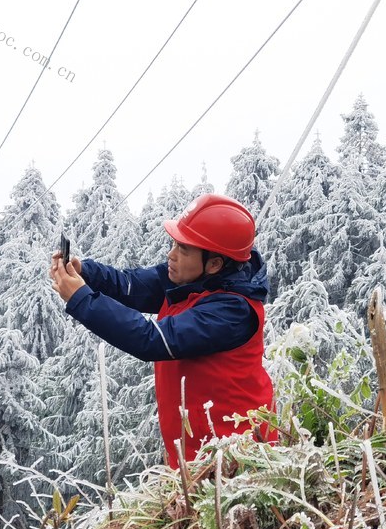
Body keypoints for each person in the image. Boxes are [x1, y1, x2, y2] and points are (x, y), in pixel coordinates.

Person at [50, 194, 275, 468]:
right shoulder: (189, 280)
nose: (171, 254)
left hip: (236, 458)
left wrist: (82, 299)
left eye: (184, 249)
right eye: (174, 244)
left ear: (215, 264)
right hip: (197, 459)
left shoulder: (232, 311)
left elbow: (152, 339)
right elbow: (129, 285)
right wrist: (86, 272)